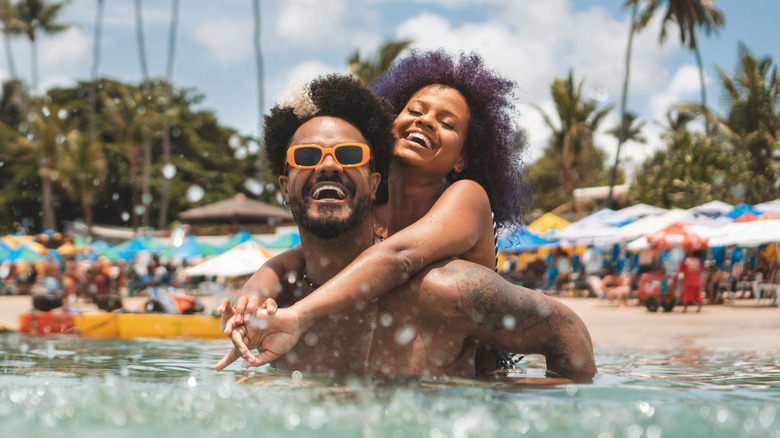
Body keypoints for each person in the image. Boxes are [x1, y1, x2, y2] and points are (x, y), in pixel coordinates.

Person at [216, 74, 596, 382]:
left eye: (447, 123)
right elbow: (314, 251)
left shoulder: (465, 199)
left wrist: (533, 403)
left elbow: (400, 256)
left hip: (476, 344)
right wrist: (259, 283)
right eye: (414, 110)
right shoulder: (369, 220)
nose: (427, 121)